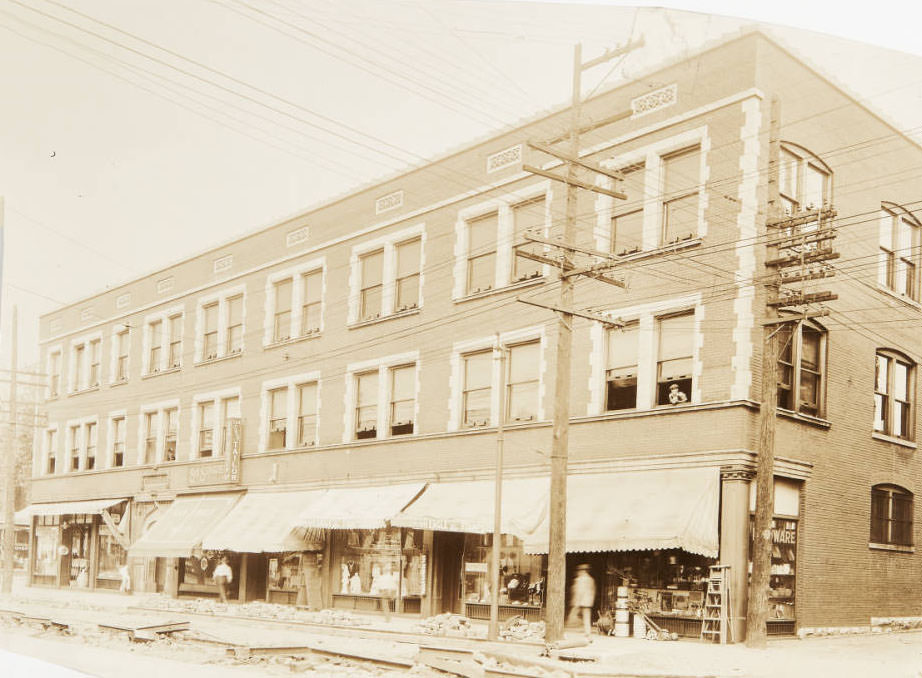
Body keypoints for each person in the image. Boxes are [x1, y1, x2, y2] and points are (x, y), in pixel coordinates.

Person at [567, 564, 596, 638]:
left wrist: (576, 601)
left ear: (582, 571)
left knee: (573, 616)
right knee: (586, 617)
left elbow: (578, 591)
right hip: (588, 602)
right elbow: (593, 590)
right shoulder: (591, 579)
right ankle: (587, 632)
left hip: (580, 601)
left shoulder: (579, 579)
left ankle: (570, 631)